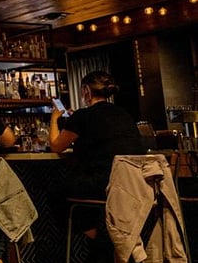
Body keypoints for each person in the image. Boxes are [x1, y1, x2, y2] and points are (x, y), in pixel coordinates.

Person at [48, 70, 145, 234]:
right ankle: (106, 237)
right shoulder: (124, 114)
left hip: (103, 185)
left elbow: (56, 146)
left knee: (56, 192)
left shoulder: (82, 116)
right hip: (133, 184)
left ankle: (97, 238)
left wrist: (54, 117)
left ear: (86, 90)